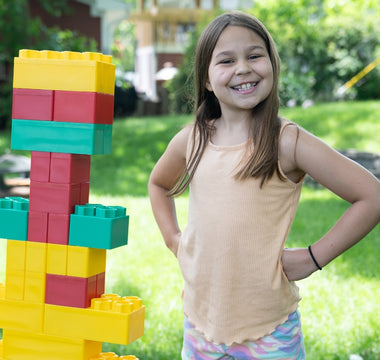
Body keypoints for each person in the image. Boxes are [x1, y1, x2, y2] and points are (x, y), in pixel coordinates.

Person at [148, 11, 380, 360]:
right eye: (226, 60)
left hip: (268, 333)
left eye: (254, 55)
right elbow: (158, 184)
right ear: (207, 79)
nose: (243, 68)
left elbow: (371, 196)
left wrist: (313, 258)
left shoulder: (287, 141)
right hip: (200, 325)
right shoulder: (192, 138)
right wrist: (173, 239)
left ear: (272, 63)